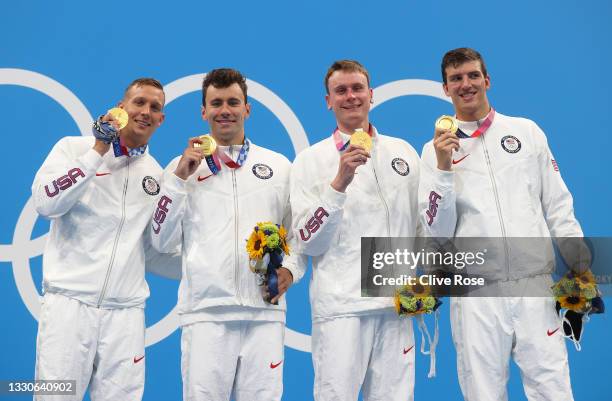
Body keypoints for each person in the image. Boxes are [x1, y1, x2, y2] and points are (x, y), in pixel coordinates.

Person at [419, 47, 584, 401]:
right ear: (445, 89)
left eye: (472, 75)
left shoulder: (526, 131)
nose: (466, 84)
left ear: (487, 80)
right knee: (483, 394)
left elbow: (558, 205)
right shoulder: (432, 151)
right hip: (477, 293)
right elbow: (438, 231)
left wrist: (581, 265)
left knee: (553, 390)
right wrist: (443, 167)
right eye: (456, 79)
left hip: (534, 287)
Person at [150, 68, 304, 401]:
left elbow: (299, 235)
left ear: (247, 109)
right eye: (216, 103)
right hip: (205, 313)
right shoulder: (180, 168)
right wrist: (179, 181)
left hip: (264, 314)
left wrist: (291, 270)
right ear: (203, 111)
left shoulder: (279, 166)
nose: (225, 110)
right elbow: (160, 241)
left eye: (233, 102)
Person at [32, 78, 175, 400]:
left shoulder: (156, 176)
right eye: (139, 102)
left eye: (155, 107)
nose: (146, 111)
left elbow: (155, 250)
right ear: (121, 108)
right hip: (70, 306)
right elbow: (46, 203)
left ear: (161, 119)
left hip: (125, 316)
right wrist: (97, 150)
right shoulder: (73, 148)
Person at [290, 60, 421, 401]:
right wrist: (338, 184)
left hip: (396, 306)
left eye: (357, 88)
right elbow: (305, 241)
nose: (351, 96)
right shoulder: (311, 160)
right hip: (342, 309)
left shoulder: (403, 152)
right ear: (328, 101)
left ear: (371, 94)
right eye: (341, 91)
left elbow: (423, 228)